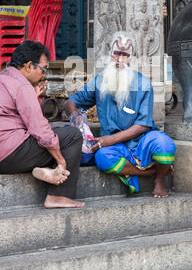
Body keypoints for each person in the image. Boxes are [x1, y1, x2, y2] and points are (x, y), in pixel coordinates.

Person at [0, 40, 84, 209]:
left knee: (54, 135)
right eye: (43, 69)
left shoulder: (2, 78)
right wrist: (61, 161)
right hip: (8, 154)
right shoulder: (22, 86)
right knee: (72, 136)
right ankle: (58, 196)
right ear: (29, 66)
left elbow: (18, 120)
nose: (44, 75)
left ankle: (42, 171)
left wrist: (33, 99)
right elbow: (40, 130)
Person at [65, 31, 176, 197]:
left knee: (165, 145)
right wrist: (78, 121)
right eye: (117, 54)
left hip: (141, 142)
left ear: (132, 58)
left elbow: (143, 125)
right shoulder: (99, 81)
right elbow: (70, 102)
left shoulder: (143, 84)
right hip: (114, 147)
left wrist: (109, 139)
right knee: (102, 158)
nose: (120, 60)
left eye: (125, 55)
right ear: (110, 54)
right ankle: (147, 173)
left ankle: (159, 179)